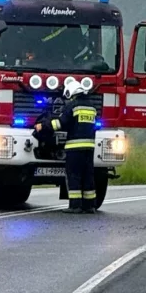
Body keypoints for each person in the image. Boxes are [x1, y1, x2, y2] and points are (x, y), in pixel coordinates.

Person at [35, 80, 98, 214]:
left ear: (72, 92)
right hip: (89, 147)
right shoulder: (92, 107)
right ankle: (89, 206)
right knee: (88, 176)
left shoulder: (72, 106)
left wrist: (44, 126)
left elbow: (60, 124)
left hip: (75, 148)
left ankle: (75, 206)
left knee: (74, 175)